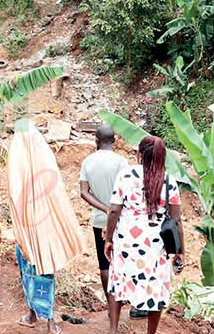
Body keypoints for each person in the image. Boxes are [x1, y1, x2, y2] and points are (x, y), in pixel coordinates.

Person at [8, 120, 86, 334]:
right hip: (47, 226)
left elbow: (14, 195)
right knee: (46, 272)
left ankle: (33, 315)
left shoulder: (17, 160)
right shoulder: (45, 157)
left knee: (28, 272)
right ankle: (49, 321)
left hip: (28, 226)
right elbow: (57, 191)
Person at [105, 136, 184, 334]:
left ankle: (113, 330)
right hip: (155, 243)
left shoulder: (126, 175)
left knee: (118, 279)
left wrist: (108, 239)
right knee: (156, 286)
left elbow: (114, 210)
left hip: (126, 239)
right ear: (162, 157)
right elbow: (176, 220)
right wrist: (180, 251)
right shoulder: (169, 181)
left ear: (140, 154)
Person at [79, 125, 137, 315]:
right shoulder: (121, 162)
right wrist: (113, 210)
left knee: (105, 264)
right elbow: (129, 191)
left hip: (99, 220)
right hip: (122, 220)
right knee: (126, 259)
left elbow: (84, 192)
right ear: (114, 140)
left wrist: (104, 209)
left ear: (96, 140)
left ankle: (112, 307)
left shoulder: (87, 162)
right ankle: (131, 301)